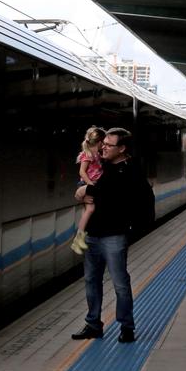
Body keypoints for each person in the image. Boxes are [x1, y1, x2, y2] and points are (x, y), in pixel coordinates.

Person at [70, 128, 148, 344]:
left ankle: (127, 326)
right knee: (91, 281)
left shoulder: (130, 170)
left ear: (122, 149)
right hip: (93, 234)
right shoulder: (101, 166)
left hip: (114, 235)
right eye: (103, 143)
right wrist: (84, 190)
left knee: (120, 283)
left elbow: (115, 194)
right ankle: (93, 324)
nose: (103, 147)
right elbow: (89, 187)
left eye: (109, 144)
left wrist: (87, 190)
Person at [71, 126, 106, 254]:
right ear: (100, 142)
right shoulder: (88, 154)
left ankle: (80, 238)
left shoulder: (96, 154)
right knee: (90, 209)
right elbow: (82, 171)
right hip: (87, 184)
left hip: (92, 184)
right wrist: (90, 185)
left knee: (88, 210)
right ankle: (78, 239)